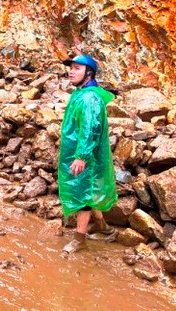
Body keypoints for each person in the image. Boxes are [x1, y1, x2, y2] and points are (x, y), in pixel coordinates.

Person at [59, 54, 117, 253]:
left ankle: (79, 239)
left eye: (77, 68)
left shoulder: (90, 98)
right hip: (78, 151)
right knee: (89, 188)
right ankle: (102, 226)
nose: (71, 71)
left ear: (89, 73)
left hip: (85, 155)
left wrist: (81, 156)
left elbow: (91, 128)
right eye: (71, 68)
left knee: (83, 191)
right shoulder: (81, 93)